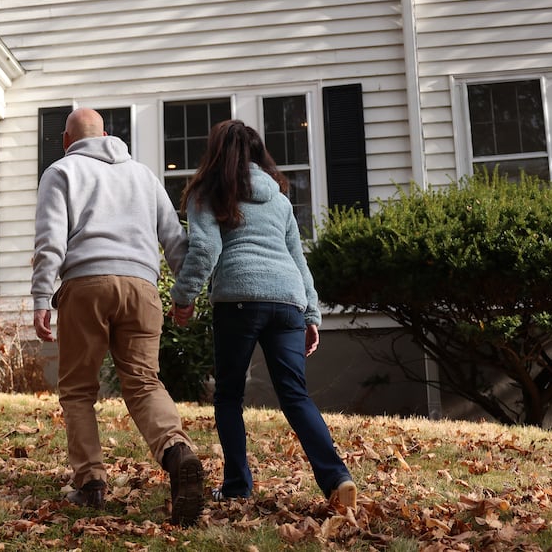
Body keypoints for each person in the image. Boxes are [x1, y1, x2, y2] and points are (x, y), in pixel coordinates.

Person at [168, 119, 356, 510]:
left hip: (239, 299)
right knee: (295, 395)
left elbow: (204, 251)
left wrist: (183, 297)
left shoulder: (210, 192)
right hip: (287, 300)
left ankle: (238, 485)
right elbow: (297, 258)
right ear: (258, 155)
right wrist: (310, 313)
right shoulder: (280, 199)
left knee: (229, 396)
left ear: (216, 153)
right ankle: (337, 478)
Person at [32, 107, 205, 527]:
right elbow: (174, 238)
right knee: (144, 382)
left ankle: (90, 483)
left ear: (67, 140)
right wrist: (185, 293)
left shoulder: (62, 170)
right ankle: (177, 452)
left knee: (77, 390)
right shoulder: (143, 175)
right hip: (142, 288)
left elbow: (51, 239)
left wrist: (40, 295)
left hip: (86, 286)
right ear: (108, 135)